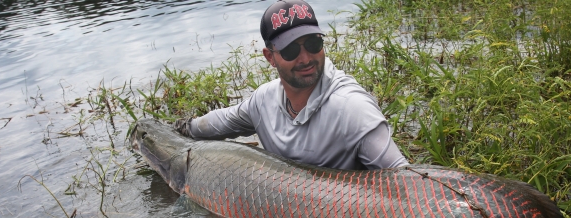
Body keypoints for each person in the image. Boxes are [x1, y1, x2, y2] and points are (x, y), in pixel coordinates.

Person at [174, 0, 408, 170]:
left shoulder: (352, 109)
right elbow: (217, 123)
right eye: (291, 50)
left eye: (313, 44)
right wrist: (183, 128)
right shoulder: (263, 101)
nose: (305, 58)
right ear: (270, 57)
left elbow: (403, 179)